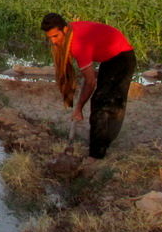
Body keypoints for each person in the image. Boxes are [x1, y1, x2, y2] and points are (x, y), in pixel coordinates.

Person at [40, 13, 136, 160]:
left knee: (104, 103)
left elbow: (90, 82)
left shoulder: (78, 44)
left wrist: (79, 107)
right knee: (102, 100)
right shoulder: (69, 35)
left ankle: (96, 155)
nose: (53, 42)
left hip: (122, 58)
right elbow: (87, 78)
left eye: (55, 36)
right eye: (49, 38)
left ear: (65, 30)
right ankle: (101, 145)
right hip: (109, 59)